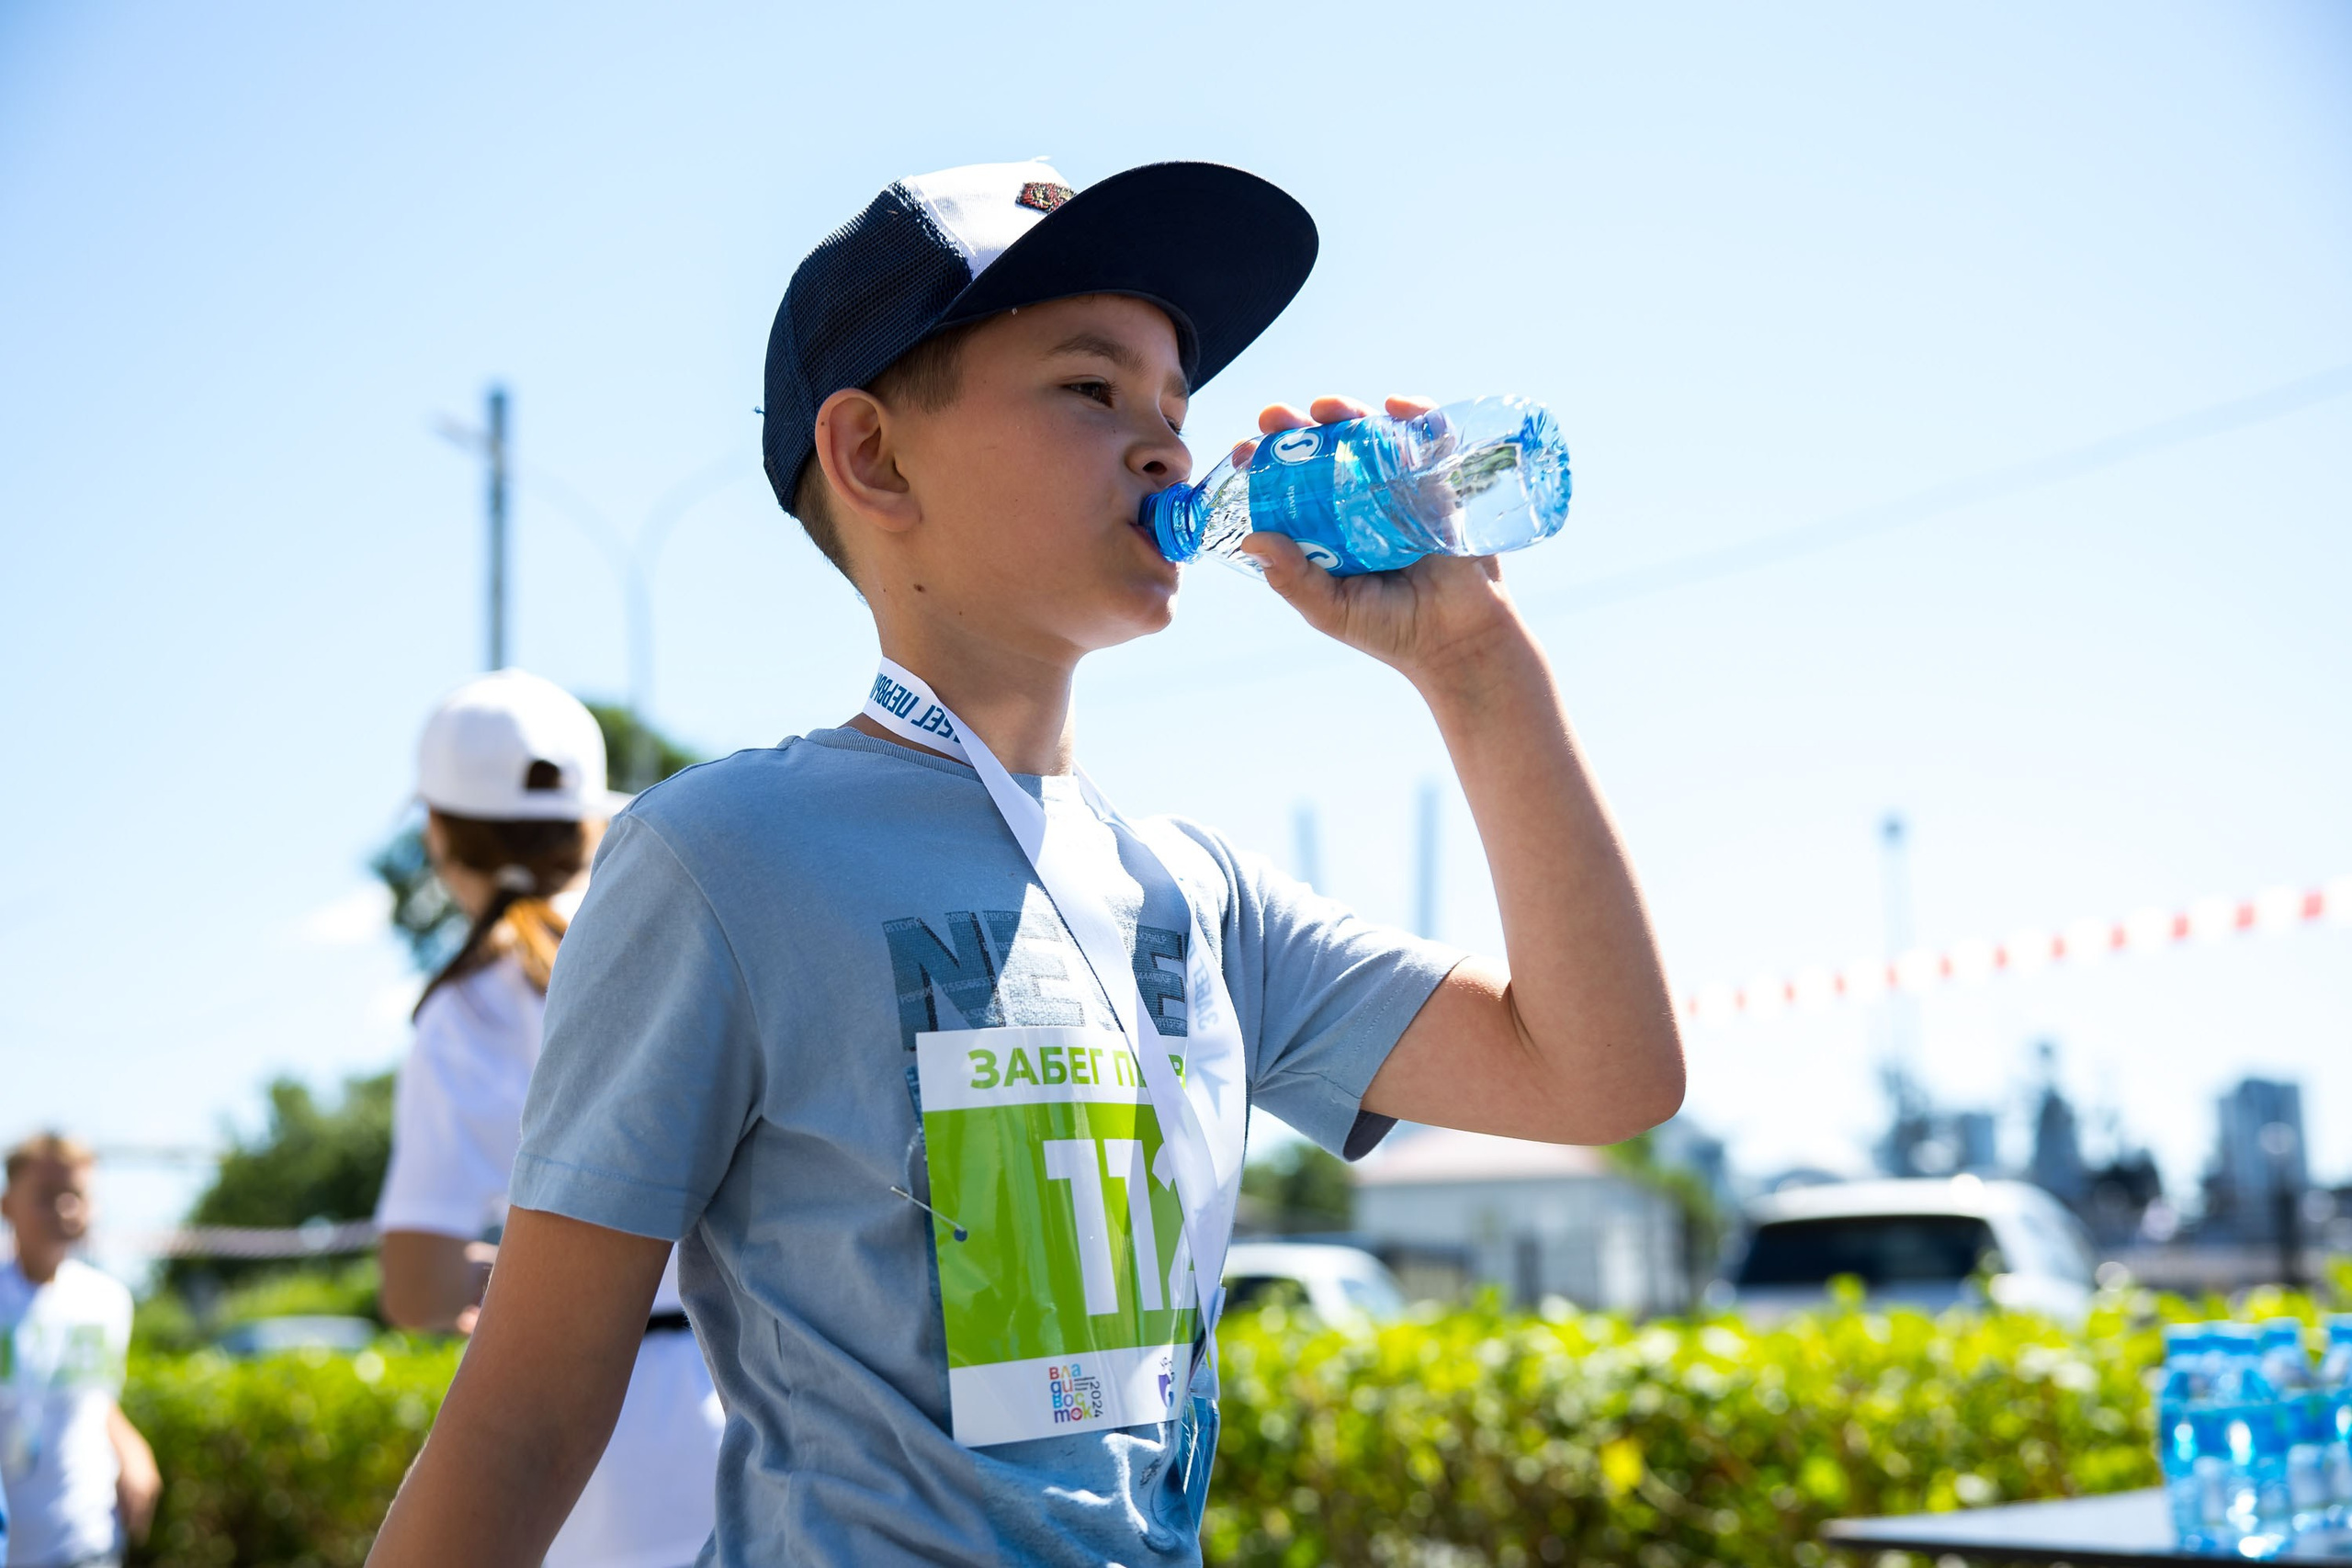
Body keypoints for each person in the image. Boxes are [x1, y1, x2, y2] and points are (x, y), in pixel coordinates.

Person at [368, 159, 1685, 1568]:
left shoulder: (1196, 893)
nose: (1171, 448)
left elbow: (1601, 1073)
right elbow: (524, 1413)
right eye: (1091, 389)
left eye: (1178, 406)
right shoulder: (721, 857)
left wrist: (1476, 665)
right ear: (874, 455)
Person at [372, 670, 722, 1568]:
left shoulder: (471, 1005)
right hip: (758, 1400)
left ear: (438, 836)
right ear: (592, 823)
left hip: (585, 1434)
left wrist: (517, 1271)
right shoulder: (690, 940)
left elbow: (416, 1286)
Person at [0, 1134, 159, 1568]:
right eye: (46, 1195)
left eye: (76, 1194)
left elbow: (96, 1398)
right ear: (6, 1203)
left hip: (85, 1541)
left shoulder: (108, 1300)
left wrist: (131, 1448)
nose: (64, 1209)